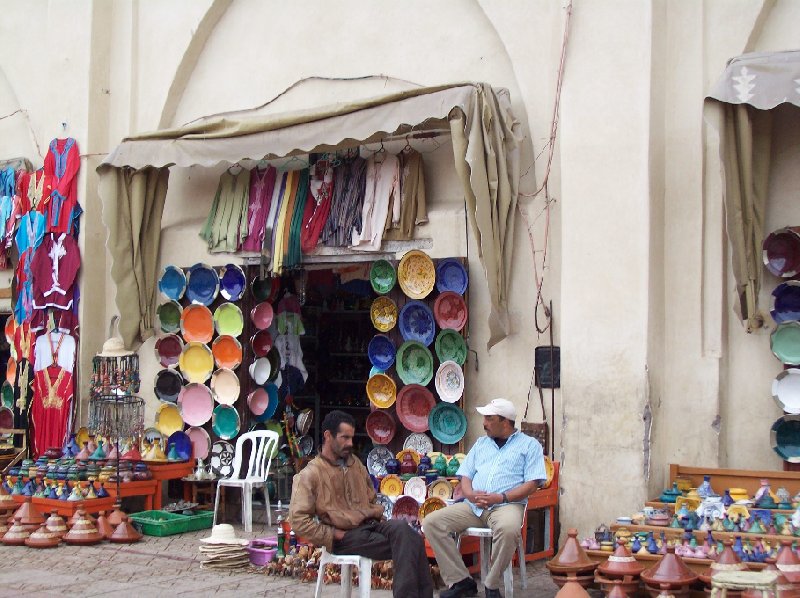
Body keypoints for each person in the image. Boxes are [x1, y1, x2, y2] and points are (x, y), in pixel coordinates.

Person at [288, 410, 434, 598]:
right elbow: (298, 520)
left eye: (351, 438)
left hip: (370, 526)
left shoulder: (354, 463)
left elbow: (371, 498)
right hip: (344, 536)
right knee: (409, 542)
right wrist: (332, 534)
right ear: (328, 436)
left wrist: (378, 519)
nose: (350, 443)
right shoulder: (311, 474)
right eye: (344, 438)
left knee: (406, 532)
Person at [425, 398, 547, 598]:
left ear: (505, 422)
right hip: (474, 506)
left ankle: (491, 583)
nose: (484, 423)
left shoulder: (529, 445)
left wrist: (501, 497)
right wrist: (470, 494)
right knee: (432, 522)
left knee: (509, 529)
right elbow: (466, 476)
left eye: (489, 419)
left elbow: (533, 483)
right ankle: (461, 581)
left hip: (506, 505)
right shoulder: (481, 443)